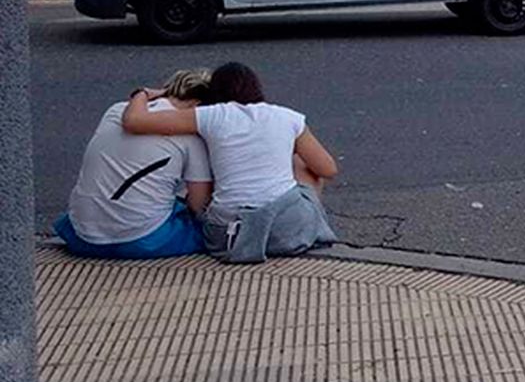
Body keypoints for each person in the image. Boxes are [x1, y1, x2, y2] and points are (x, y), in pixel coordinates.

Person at [122, 62, 340, 263]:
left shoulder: (210, 116)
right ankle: (306, 227)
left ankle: (254, 239)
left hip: (226, 237)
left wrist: (142, 94)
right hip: (288, 232)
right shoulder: (288, 117)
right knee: (303, 163)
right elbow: (327, 169)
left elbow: (134, 122)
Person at [54, 69, 215, 259]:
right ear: (198, 106)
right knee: (204, 231)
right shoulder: (190, 136)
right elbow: (199, 205)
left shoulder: (116, 111)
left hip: (81, 237)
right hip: (140, 240)